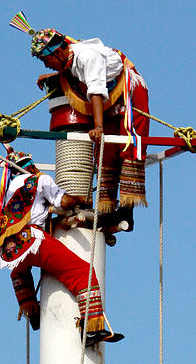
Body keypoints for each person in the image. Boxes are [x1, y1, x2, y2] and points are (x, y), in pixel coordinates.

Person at [0, 149, 122, 345]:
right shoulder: (40, 180)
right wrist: (79, 199)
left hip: (12, 250)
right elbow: (64, 202)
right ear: (29, 166)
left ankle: (32, 311)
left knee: (19, 273)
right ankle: (91, 328)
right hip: (34, 241)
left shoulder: (6, 193)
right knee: (83, 272)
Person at [28, 27, 150, 220]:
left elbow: (95, 90)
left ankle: (127, 213)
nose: (45, 65)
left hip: (129, 90)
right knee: (105, 150)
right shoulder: (69, 58)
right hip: (109, 99)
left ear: (58, 52)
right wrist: (53, 77)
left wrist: (99, 127)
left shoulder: (87, 57)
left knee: (130, 144)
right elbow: (73, 73)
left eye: (45, 60)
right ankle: (107, 211)